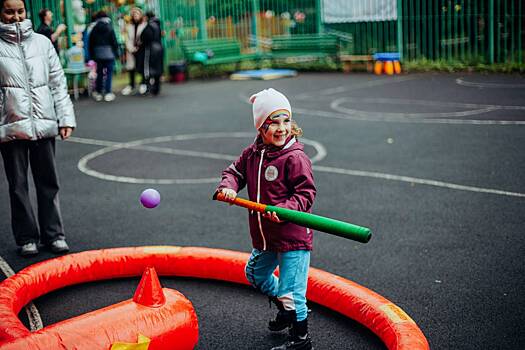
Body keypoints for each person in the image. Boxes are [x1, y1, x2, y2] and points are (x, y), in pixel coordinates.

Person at [216, 88, 316, 350]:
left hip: (292, 237)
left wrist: (284, 209)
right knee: (255, 274)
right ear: (261, 128)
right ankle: (287, 308)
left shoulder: (295, 157)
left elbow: (306, 194)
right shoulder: (252, 154)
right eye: (274, 123)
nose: (282, 129)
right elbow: (234, 172)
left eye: (286, 121)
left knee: (292, 291)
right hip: (266, 236)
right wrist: (228, 186)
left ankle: (300, 339)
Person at [0, 0, 76, 256]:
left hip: (43, 123)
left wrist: (65, 118)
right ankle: (27, 238)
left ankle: (54, 235)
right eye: (9, 11)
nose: (16, 16)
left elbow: (57, 82)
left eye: (20, 11)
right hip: (10, 127)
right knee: (17, 186)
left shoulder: (42, 43)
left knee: (48, 182)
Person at [88, 11, 119, 102]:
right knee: (109, 73)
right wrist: (116, 53)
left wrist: (92, 55)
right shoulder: (109, 27)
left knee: (100, 73)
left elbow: (91, 43)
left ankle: (98, 92)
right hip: (109, 54)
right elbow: (114, 42)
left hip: (98, 54)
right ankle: (108, 92)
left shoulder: (94, 29)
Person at [137, 11, 163, 96]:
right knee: (157, 69)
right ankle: (156, 88)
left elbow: (146, 38)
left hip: (150, 49)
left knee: (148, 69)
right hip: (158, 48)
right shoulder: (157, 25)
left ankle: (148, 88)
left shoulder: (149, 26)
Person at [121, 7, 146, 96]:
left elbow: (145, 38)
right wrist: (130, 48)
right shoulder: (128, 26)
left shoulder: (144, 25)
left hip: (141, 49)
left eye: (137, 14)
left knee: (142, 67)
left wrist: (139, 47)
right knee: (131, 68)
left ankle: (143, 84)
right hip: (131, 50)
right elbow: (127, 39)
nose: (135, 16)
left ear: (140, 15)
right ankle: (131, 85)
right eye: (134, 14)